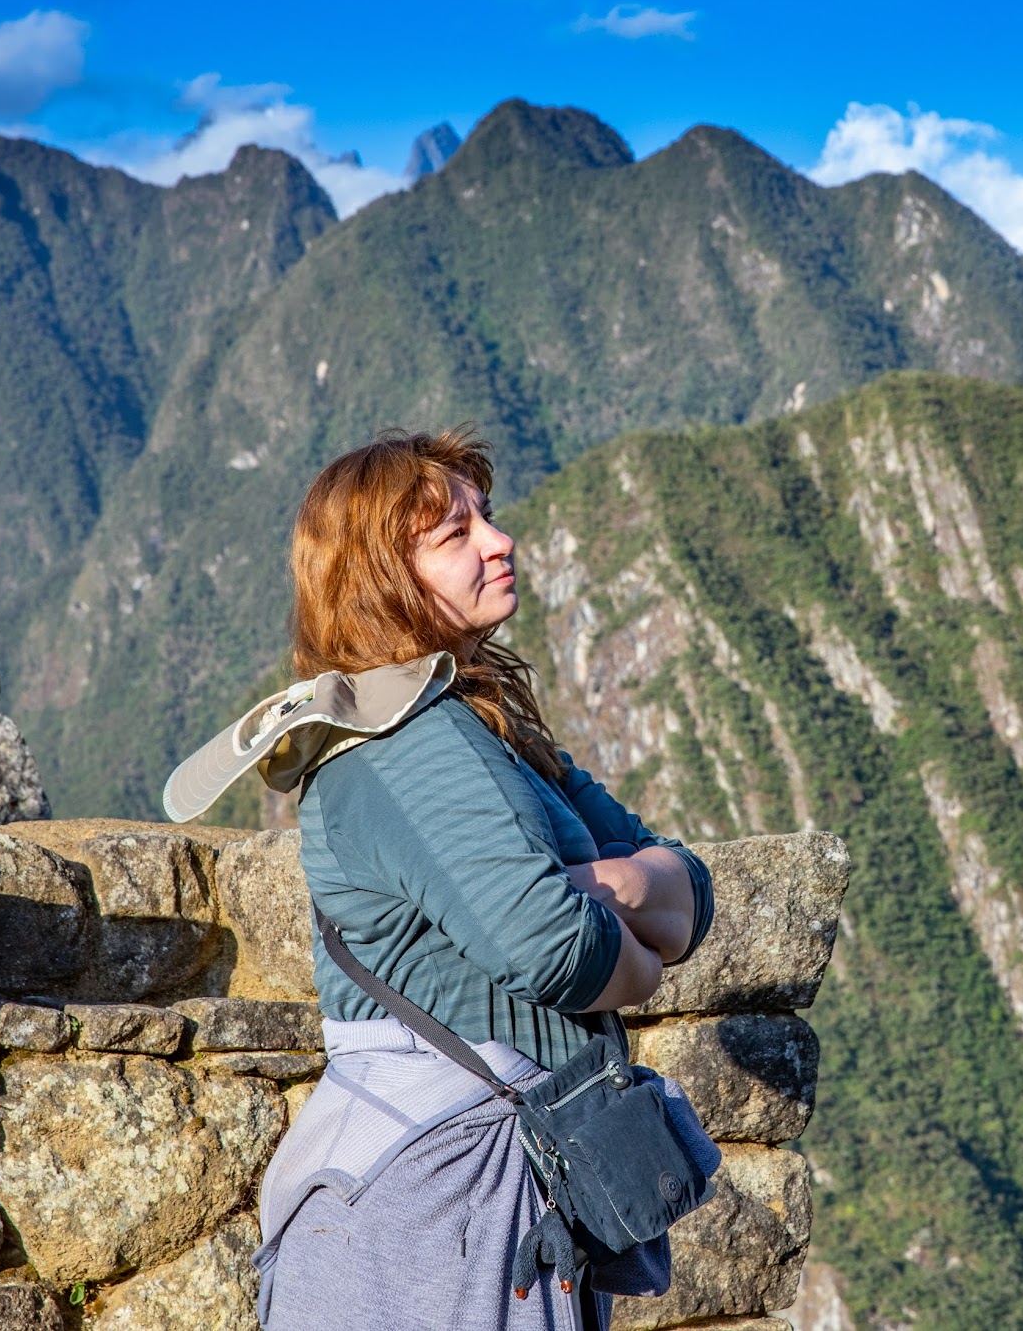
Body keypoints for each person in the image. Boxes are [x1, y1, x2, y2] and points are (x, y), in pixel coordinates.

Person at [254, 428, 715, 1330]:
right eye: (454, 535)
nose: (499, 542)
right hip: (425, 1208)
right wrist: (630, 928)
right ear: (380, 578)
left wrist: (596, 888)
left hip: (481, 1183)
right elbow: (556, 948)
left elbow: (688, 889)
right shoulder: (403, 747)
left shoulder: (486, 724)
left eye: (487, 519)